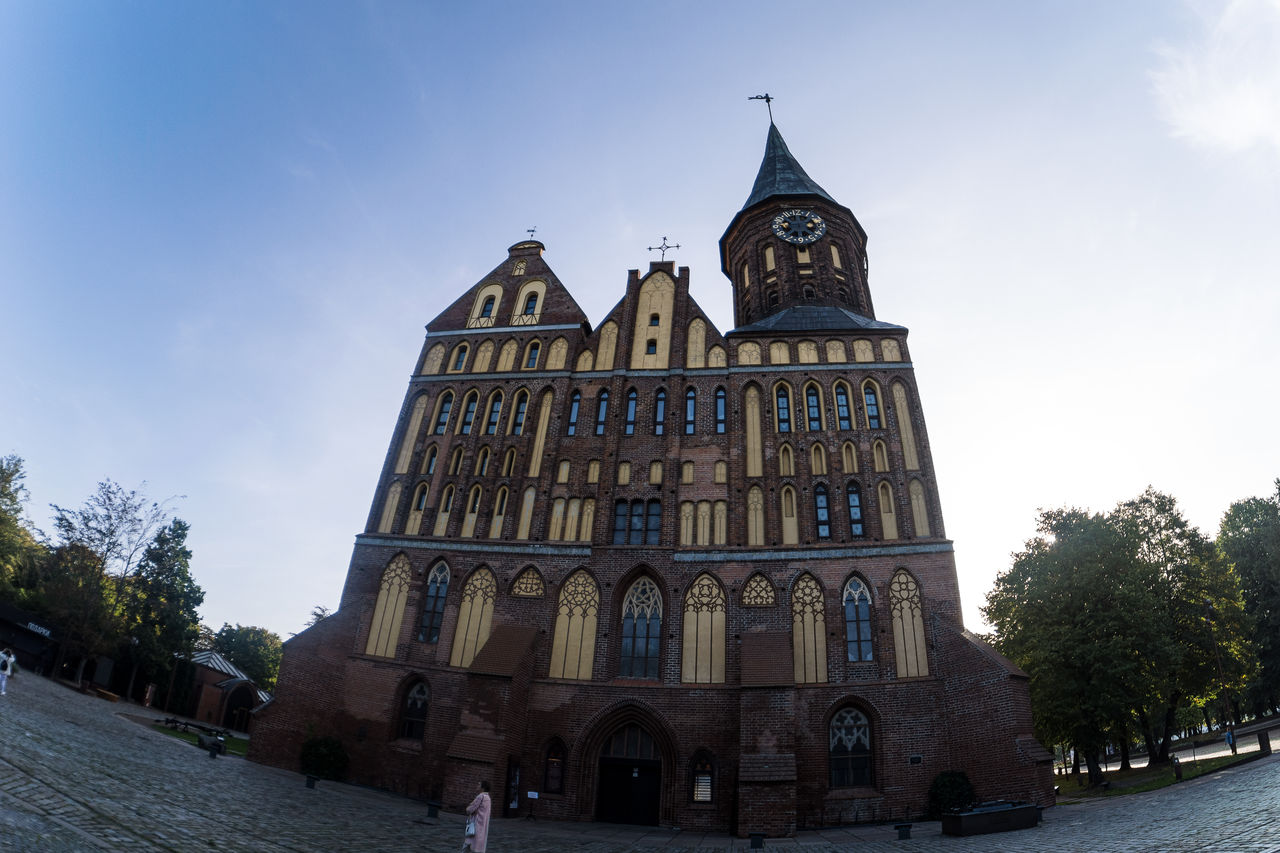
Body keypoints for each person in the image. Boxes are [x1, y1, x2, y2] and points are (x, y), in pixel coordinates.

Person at [463, 779, 491, 853]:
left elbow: (470, 809)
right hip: (483, 825)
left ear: (483, 787)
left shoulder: (480, 797)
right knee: (478, 845)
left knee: (467, 845)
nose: (477, 786)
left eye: (479, 784)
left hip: (475, 824)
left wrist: (468, 808)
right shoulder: (488, 798)